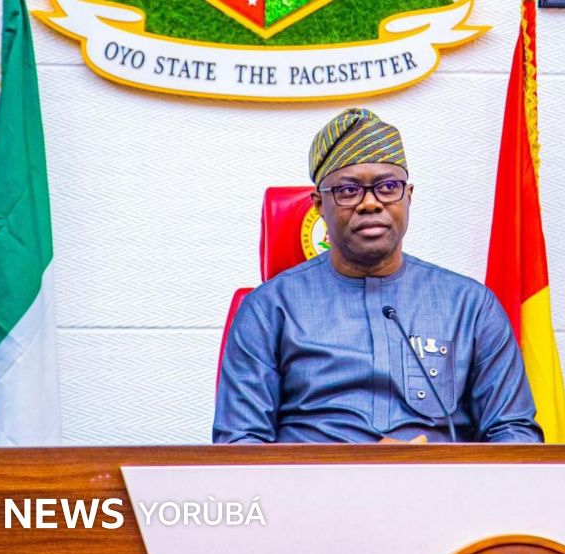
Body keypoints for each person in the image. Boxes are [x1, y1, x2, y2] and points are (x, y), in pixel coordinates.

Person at [213, 108, 543, 444]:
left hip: (437, 477)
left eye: (387, 187)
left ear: (408, 196)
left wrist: (439, 469)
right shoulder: (268, 309)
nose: (370, 203)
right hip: (313, 477)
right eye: (348, 190)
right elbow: (239, 444)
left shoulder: (471, 306)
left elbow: (515, 433)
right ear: (318, 205)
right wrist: (358, 466)